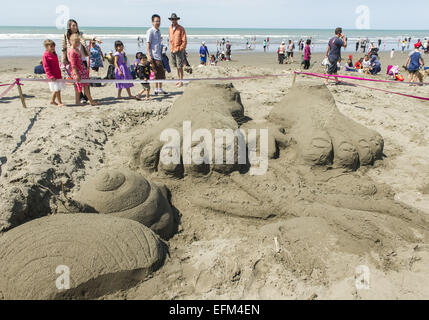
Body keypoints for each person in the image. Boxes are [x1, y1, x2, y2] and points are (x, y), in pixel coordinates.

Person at [61, 19, 102, 103]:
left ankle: (87, 97)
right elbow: (63, 48)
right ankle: (81, 98)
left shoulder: (80, 34)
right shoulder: (66, 36)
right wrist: (63, 60)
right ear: (69, 27)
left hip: (82, 60)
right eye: (73, 25)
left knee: (86, 80)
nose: (75, 27)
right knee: (77, 80)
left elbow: (87, 36)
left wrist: (95, 38)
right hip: (72, 60)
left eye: (76, 25)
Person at [68, 34, 97, 106]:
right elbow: (73, 64)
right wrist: (76, 74)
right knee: (79, 87)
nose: (77, 43)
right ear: (71, 41)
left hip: (82, 69)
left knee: (86, 85)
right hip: (77, 71)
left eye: (78, 42)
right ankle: (78, 101)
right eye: (76, 42)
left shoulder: (77, 49)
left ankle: (91, 101)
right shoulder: (72, 51)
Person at [146, 14, 168, 95]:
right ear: (152, 22)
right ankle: (157, 89)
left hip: (159, 55)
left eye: (159, 21)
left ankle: (159, 89)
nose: (158, 22)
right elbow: (148, 44)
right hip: (153, 56)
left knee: (161, 73)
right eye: (156, 21)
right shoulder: (150, 31)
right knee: (157, 73)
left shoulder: (158, 31)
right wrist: (149, 56)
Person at [42, 40, 65, 107]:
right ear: (46, 47)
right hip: (52, 75)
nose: (53, 48)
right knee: (57, 89)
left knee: (58, 88)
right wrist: (50, 76)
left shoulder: (54, 54)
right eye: (51, 46)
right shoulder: (45, 55)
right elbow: (46, 67)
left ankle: (52, 100)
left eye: (54, 46)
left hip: (57, 73)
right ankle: (60, 102)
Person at [168, 13, 187, 87]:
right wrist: (171, 48)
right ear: (171, 20)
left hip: (179, 50)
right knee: (176, 66)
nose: (173, 20)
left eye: (175, 19)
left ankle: (181, 81)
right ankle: (179, 80)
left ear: (177, 20)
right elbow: (170, 39)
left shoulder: (181, 28)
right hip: (172, 50)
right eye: (172, 19)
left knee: (180, 66)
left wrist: (179, 48)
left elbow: (184, 40)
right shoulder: (170, 28)